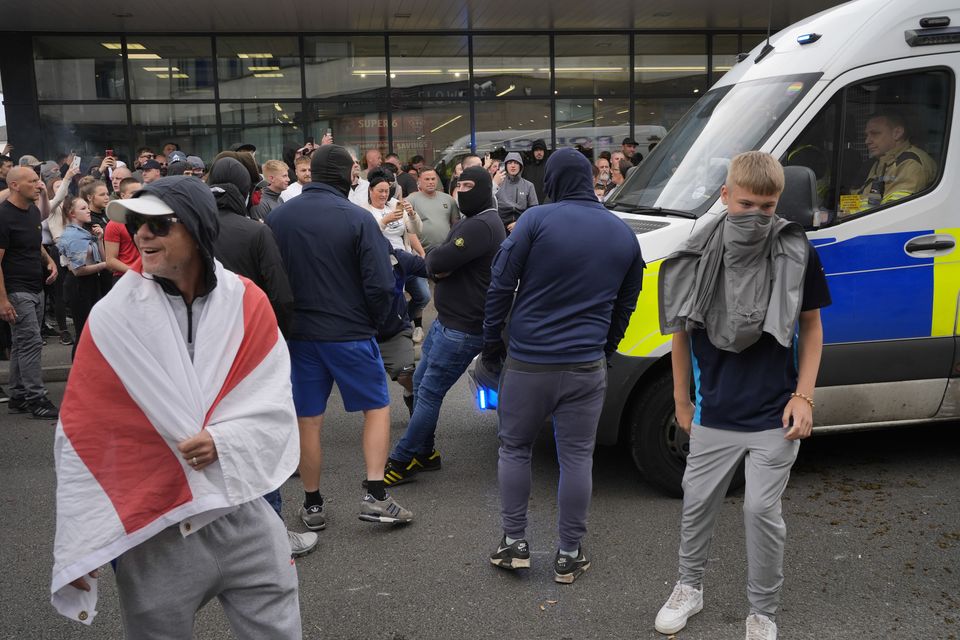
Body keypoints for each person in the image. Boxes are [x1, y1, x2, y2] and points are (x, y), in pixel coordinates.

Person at [51, 176, 303, 637]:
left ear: (198, 228)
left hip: (241, 510)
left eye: (158, 224)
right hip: (155, 529)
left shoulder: (248, 301)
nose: (142, 235)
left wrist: (224, 439)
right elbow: (84, 430)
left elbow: (272, 399)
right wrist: (83, 536)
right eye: (137, 225)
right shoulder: (113, 317)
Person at [654, 151, 831, 640]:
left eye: (768, 207)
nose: (756, 215)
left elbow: (812, 328)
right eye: (746, 203)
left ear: (779, 203)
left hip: (774, 412)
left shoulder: (796, 250)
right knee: (696, 501)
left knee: (760, 511)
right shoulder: (697, 250)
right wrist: (682, 401)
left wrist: (805, 397)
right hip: (715, 409)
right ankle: (689, 587)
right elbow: (681, 333)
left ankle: (763, 611)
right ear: (725, 195)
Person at [483, 147, 644, 583]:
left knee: (514, 448)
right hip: (586, 364)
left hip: (529, 361)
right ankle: (569, 553)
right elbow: (627, 305)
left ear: (552, 181)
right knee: (577, 457)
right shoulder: (622, 234)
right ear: (590, 179)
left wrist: (492, 344)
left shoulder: (536, 221)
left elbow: (501, 284)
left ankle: (514, 542)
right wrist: (604, 350)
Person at [268, 144, 414, 530]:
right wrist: (382, 323)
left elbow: (272, 280)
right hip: (349, 331)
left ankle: (313, 503)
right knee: (377, 408)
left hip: (300, 334)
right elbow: (380, 283)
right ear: (344, 176)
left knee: (308, 419)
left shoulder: (279, 217)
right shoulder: (357, 218)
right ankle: (376, 494)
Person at [383, 166, 506, 486]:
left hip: (463, 328)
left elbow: (436, 262)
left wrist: (440, 262)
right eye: (459, 185)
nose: (462, 190)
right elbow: (438, 262)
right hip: (447, 322)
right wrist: (441, 262)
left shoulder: (482, 224)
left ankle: (402, 458)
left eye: (469, 185)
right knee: (422, 385)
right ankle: (425, 453)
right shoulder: (472, 221)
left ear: (482, 189)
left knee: (430, 392)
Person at [0, 167, 59, 419]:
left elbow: (34, 243)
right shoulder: (3, 216)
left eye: (39, 180)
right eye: (33, 181)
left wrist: (48, 260)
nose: (39, 185)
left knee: (22, 342)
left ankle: (18, 394)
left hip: (36, 285)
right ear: (14, 185)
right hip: (16, 289)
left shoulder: (32, 210)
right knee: (32, 341)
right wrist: (2, 300)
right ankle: (37, 398)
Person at [377, 238, 427, 416]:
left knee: (407, 373)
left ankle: (411, 394)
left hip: (393, 331)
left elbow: (431, 267)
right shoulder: (347, 263)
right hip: (355, 333)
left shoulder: (398, 258)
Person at [56, 196, 109, 360]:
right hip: (79, 286)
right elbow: (78, 270)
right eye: (83, 208)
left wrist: (100, 240)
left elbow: (101, 257)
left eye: (87, 207)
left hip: (92, 283)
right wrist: (106, 265)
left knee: (93, 331)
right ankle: (78, 374)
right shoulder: (73, 236)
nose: (88, 211)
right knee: (83, 332)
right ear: (72, 214)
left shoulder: (85, 232)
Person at [854, 111, 936, 212]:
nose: (867, 141)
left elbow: (893, 211)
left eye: (875, 133)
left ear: (897, 133)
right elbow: (869, 203)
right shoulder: (880, 162)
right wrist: (840, 212)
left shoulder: (910, 163)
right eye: (867, 135)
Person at [103, 178, 143, 277]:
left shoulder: (147, 219)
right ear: (123, 196)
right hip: (124, 277)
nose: (138, 196)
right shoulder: (114, 224)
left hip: (147, 276)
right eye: (133, 193)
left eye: (140, 193)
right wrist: (135, 271)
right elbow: (110, 260)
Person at [495, 152, 539, 233]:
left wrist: (519, 223)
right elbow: (491, 207)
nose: (513, 165)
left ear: (520, 166)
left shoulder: (528, 186)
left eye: (516, 163)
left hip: (522, 228)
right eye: (509, 163)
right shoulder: (498, 183)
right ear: (505, 166)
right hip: (500, 229)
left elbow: (534, 211)